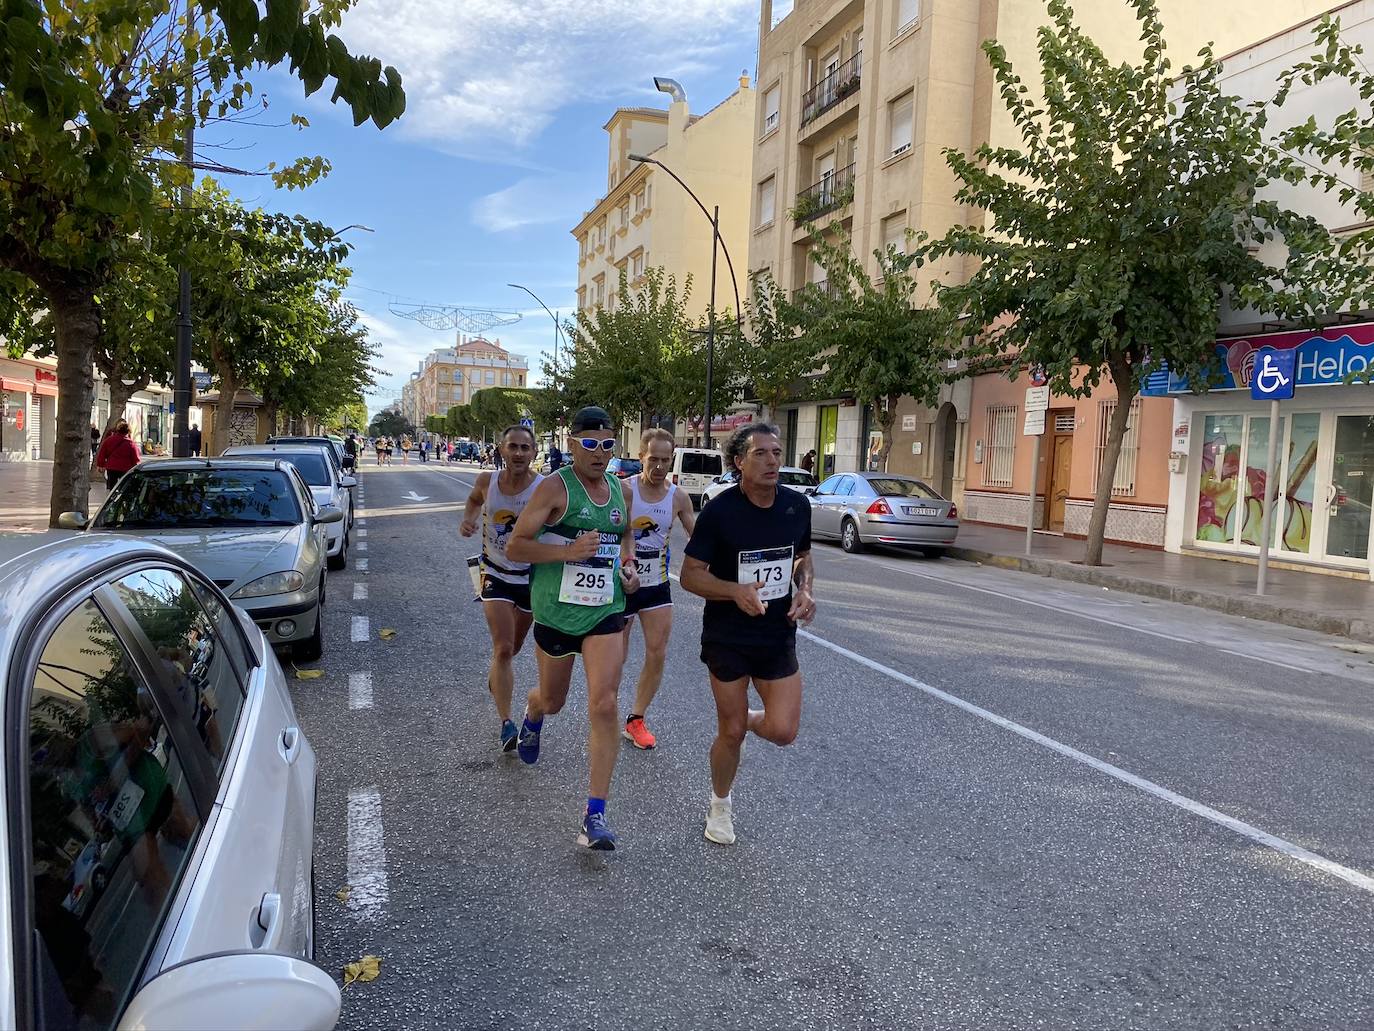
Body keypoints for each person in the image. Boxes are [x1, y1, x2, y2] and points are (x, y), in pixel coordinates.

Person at [506, 406, 640, 851]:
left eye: (608, 444)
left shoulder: (621, 491)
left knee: (604, 704)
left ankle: (595, 814)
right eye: (590, 444)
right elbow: (517, 545)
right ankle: (533, 710)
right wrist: (567, 552)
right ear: (571, 445)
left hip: (605, 610)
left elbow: (623, 538)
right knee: (555, 700)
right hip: (555, 612)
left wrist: (628, 566)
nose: (600, 453)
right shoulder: (554, 488)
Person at [680, 422, 816, 846]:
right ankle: (720, 804)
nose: (773, 460)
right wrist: (734, 592)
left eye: (777, 452)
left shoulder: (797, 507)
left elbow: (803, 557)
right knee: (731, 731)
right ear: (739, 462)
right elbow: (689, 576)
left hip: (777, 633)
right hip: (729, 636)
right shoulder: (720, 512)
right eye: (761, 453)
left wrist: (806, 590)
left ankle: (749, 717)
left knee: (783, 731)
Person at [460, 426, 542, 750]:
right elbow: (472, 500)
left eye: (525, 447)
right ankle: (507, 723)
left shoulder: (543, 488)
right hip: (493, 572)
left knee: (515, 647)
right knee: (504, 648)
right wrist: (468, 519)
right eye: (513, 447)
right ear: (501, 450)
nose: (519, 453)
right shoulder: (486, 482)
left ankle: (498, 674)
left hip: (531, 577)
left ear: (534, 452)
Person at [619, 428, 696, 750]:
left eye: (666, 460)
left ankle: (636, 719)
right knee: (614, 658)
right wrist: (626, 561)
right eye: (653, 459)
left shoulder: (677, 496)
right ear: (641, 458)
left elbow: (700, 539)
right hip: (622, 582)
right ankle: (605, 708)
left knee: (657, 652)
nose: (660, 466)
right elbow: (616, 532)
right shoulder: (623, 490)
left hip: (656, 583)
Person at [94, 420, 140, 489]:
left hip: (111, 467)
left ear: (118, 430)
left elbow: (102, 453)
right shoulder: (131, 443)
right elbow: (135, 458)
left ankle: (112, 498)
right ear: (128, 431)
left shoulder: (109, 440)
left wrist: (100, 465)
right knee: (124, 487)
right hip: (125, 468)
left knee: (112, 487)